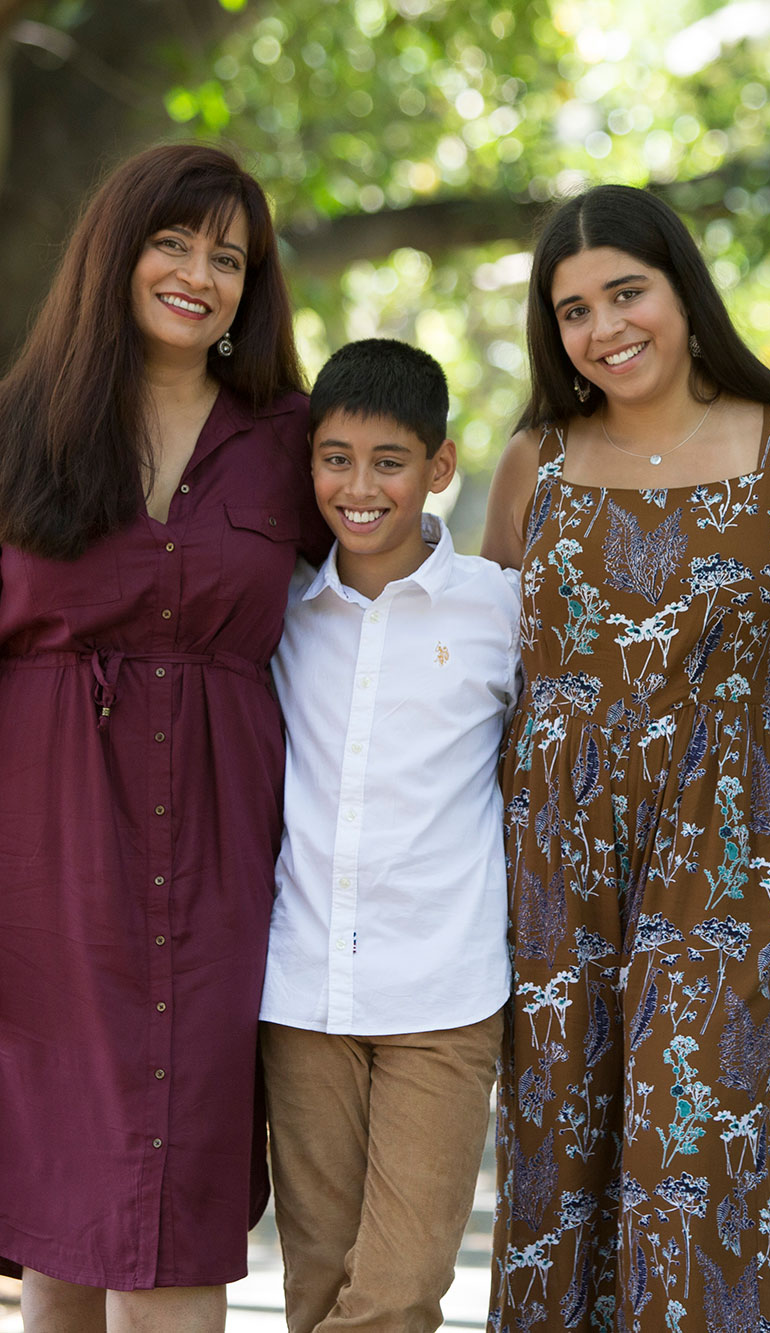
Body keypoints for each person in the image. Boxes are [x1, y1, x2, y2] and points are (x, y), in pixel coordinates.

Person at [0, 143, 321, 1331]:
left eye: (228, 257)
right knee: (62, 1231)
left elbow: (376, 618)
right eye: (173, 243)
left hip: (225, 881)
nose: (199, 274)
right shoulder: (1, 440)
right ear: (114, 254)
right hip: (43, 883)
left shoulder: (289, 443)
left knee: (175, 1219)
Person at [477, 184, 770, 1333]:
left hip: (726, 849)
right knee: (553, 1162)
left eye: (626, 292)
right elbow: (472, 679)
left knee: (688, 1151)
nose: (604, 327)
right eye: (572, 310)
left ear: (679, 290)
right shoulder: (534, 463)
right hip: (547, 857)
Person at [257, 339, 517, 1333]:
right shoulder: (279, 608)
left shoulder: (499, 610)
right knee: (319, 1282)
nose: (357, 486)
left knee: (401, 1287)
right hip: (299, 989)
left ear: (438, 468)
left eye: (387, 461)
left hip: (442, 1000)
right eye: (334, 457)